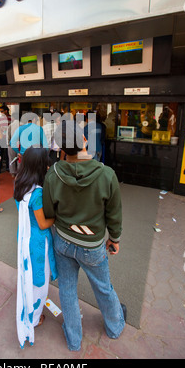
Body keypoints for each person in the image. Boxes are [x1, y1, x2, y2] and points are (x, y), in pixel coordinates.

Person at [42, 120, 126, 351]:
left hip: (63, 242)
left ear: (60, 148)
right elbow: (114, 213)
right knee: (103, 287)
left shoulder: (53, 174)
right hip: (92, 245)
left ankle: (73, 339)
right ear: (85, 141)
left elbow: (49, 212)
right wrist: (115, 238)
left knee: (67, 289)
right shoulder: (106, 174)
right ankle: (114, 327)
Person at [14, 146, 57, 348]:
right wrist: (58, 216)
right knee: (38, 281)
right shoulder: (37, 193)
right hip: (38, 242)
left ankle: (30, 309)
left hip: (24, 238)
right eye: (47, 162)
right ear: (41, 166)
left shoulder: (20, 183)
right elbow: (43, 223)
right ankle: (34, 317)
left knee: (27, 275)